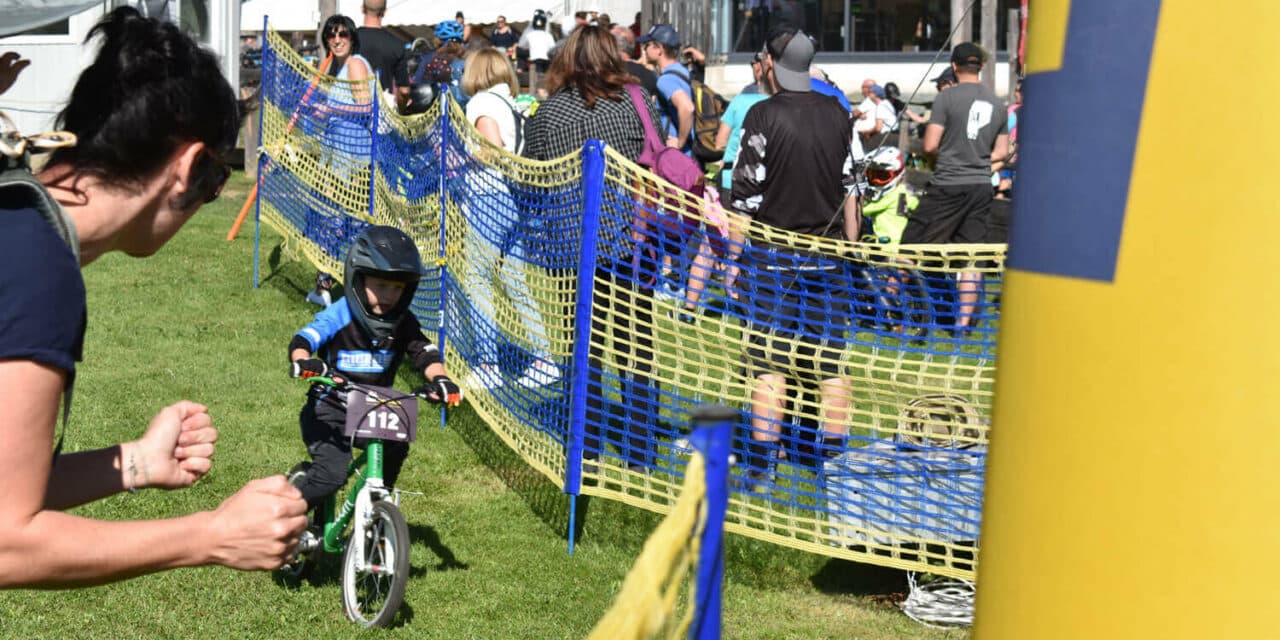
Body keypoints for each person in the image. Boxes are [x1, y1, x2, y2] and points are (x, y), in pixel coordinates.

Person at [0, 6, 308, 588]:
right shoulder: (37, 267)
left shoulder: (14, 219)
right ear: (187, 166)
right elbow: (6, 540)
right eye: (215, 182)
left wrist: (136, 463)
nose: (208, 197)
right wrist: (211, 534)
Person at [522, 25, 666, 473]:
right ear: (612, 56)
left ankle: (585, 444)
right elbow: (656, 161)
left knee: (582, 347)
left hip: (572, 245)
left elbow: (532, 179)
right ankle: (640, 451)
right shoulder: (634, 105)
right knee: (635, 347)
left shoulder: (547, 115)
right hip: (629, 241)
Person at [729, 26, 859, 487]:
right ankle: (834, 467)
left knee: (767, 364)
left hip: (772, 260)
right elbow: (850, 192)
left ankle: (762, 467)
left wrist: (731, 261)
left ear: (771, 63)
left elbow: (744, 196)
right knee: (831, 364)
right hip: (829, 262)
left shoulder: (763, 115)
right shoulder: (838, 113)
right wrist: (851, 247)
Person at [287, 226, 463, 528]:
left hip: (374, 409)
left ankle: (377, 508)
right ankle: (282, 515)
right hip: (329, 409)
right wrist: (305, 363)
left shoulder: (402, 322)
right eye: (380, 285)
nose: (389, 296)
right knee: (332, 475)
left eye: (397, 288)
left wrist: (441, 380)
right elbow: (304, 340)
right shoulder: (340, 314)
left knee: (396, 445)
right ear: (358, 278)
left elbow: (424, 352)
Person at [458, 49, 562, 390]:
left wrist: (457, 162)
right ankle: (544, 359)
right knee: (516, 283)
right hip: (512, 200)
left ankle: (488, 364)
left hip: (489, 197)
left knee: (478, 282)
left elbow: (491, 146)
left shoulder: (481, 103)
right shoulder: (511, 103)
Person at [900, 43, 1008, 330]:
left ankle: (899, 313)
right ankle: (961, 324)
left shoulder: (947, 98)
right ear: (981, 67)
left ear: (955, 66)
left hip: (948, 183)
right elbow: (1002, 152)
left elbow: (930, 144)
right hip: (981, 186)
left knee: (911, 245)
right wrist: (977, 159)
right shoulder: (998, 103)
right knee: (971, 255)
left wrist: (950, 157)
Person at [307, 14, 373, 307]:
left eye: (342, 34)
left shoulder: (356, 64)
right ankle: (324, 286)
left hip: (353, 153)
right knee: (336, 220)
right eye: (332, 35)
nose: (337, 39)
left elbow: (367, 107)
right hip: (341, 152)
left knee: (343, 220)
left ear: (351, 37)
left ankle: (354, 287)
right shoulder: (340, 66)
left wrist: (330, 109)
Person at [639, 24, 695, 152]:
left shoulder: (665, 80)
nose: (644, 50)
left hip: (677, 155)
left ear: (659, 49)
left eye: (647, 45)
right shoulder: (681, 70)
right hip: (689, 153)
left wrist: (680, 143)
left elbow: (687, 107)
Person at [355, 0, 408, 110]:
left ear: (362, 9)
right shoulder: (397, 44)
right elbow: (404, 91)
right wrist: (401, 107)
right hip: (383, 111)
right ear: (384, 12)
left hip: (350, 111)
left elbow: (331, 79)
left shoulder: (347, 41)